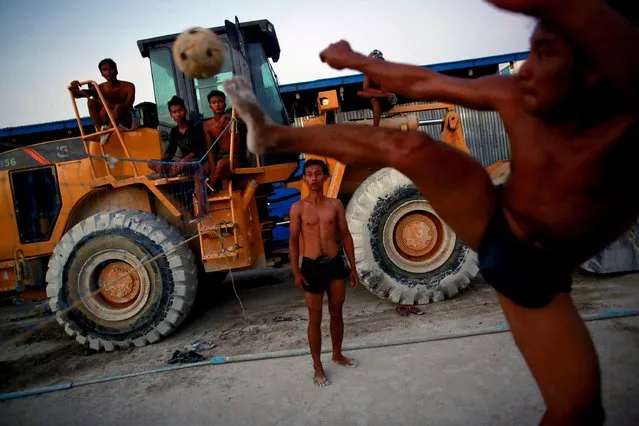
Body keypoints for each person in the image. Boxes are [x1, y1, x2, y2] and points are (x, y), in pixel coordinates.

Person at [223, 0, 638, 422]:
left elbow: (603, 30)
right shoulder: (516, 94)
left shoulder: (625, 118)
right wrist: (355, 60)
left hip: (539, 277)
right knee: (411, 147)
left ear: (594, 68)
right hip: (494, 221)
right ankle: (274, 135)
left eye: (544, 54)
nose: (525, 68)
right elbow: (424, 82)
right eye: (530, 52)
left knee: (578, 410)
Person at [288, 159, 360, 387]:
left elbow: (346, 235)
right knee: (314, 317)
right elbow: (292, 242)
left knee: (337, 312)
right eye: (309, 174)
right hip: (311, 266)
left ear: (325, 177)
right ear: (304, 179)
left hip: (334, 263)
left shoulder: (335, 204)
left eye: (318, 174)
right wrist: (296, 272)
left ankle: (337, 354)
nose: (313, 178)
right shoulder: (298, 208)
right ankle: (317, 366)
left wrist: (353, 267)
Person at [149, 96, 209, 221]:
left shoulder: (196, 126)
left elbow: (199, 150)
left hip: (197, 161)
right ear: (171, 115)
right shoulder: (175, 132)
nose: (178, 114)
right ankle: (166, 172)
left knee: (185, 164)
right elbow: (169, 152)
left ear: (185, 111)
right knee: (151, 163)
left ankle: (202, 211)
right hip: (182, 165)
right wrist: (161, 161)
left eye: (180, 110)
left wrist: (182, 162)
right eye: (174, 112)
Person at [70, 58, 138, 141]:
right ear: (102, 74)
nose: (108, 72)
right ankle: (101, 133)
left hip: (126, 122)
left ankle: (106, 133)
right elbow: (78, 95)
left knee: (119, 107)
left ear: (116, 71)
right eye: (105, 70)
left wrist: (107, 106)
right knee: (91, 102)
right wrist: (74, 88)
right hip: (108, 122)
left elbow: (128, 105)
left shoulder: (128, 86)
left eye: (111, 69)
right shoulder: (99, 88)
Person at [202, 90, 245, 190]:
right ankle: (200, 192)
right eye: (214, 102)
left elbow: (247, 118)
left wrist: (227, 116)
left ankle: (209, 188)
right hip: (220, 156)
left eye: (220, 102)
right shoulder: (207, 126)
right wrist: (213, 168)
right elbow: (210, 149)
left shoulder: (233, 118)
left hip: (236, 157)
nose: (217, 105)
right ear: (210, 106)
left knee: (221, 164)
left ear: (225, 104)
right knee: (205, 166)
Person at [357, 50, 397, 127]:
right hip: (377, 97)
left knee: (376, 98)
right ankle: (375, 128)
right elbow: (365, 88)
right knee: (373, 99)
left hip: (387, 100)